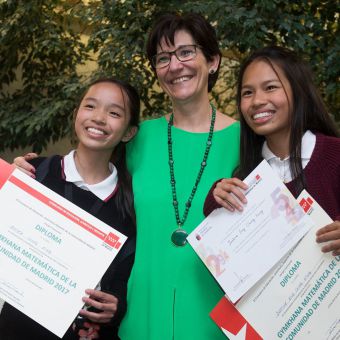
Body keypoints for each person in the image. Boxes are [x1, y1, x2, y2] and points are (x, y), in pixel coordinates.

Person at [13, 12, 240, 339]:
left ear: (214, 61)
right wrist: (25, 178)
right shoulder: (138, 139)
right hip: (139, 315)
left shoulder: (245, 140)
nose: (175, 65)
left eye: (186, 52)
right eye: (163, 58)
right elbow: (84, 179)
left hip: (214, 316)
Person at [0, 77, 139, 339]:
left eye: (114, 113)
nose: (99, 118)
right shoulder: (36, 173)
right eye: (90, 106)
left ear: (129, 131)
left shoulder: (129, 206)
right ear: (76, 114)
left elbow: (124, 278)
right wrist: (8, 186)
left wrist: (115, 306)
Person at [204, 45, 340, 256]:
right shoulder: (245, 180)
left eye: (270, 87)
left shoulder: (336, 155)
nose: (257, 101)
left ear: (298, 91)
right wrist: (217, 199)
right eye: (247, 93)